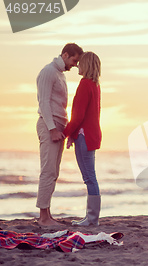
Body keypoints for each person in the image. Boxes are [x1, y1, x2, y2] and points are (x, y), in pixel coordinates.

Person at [36, 43, 83, 226]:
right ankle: (43, 217)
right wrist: (52, 129)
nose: (75, 65)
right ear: (64, 55)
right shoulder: (48, 71)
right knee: (47, 171)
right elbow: (44, 102)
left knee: (53, 172)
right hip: (50, 126)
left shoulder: (60, 74)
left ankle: (47, 214)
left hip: (58, 126)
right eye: (74, 60)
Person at [63, 52, 102, 226]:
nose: (77, 66)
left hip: (85, 136)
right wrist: (72, 135)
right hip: (90, 135)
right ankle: (92, 218)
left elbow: (78, 116)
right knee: (90, 177)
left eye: (80, 64)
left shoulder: (85, 84)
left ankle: (92, 219)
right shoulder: (95, 85)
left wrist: (65, 133)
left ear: (85, 66)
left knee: (89, 177)